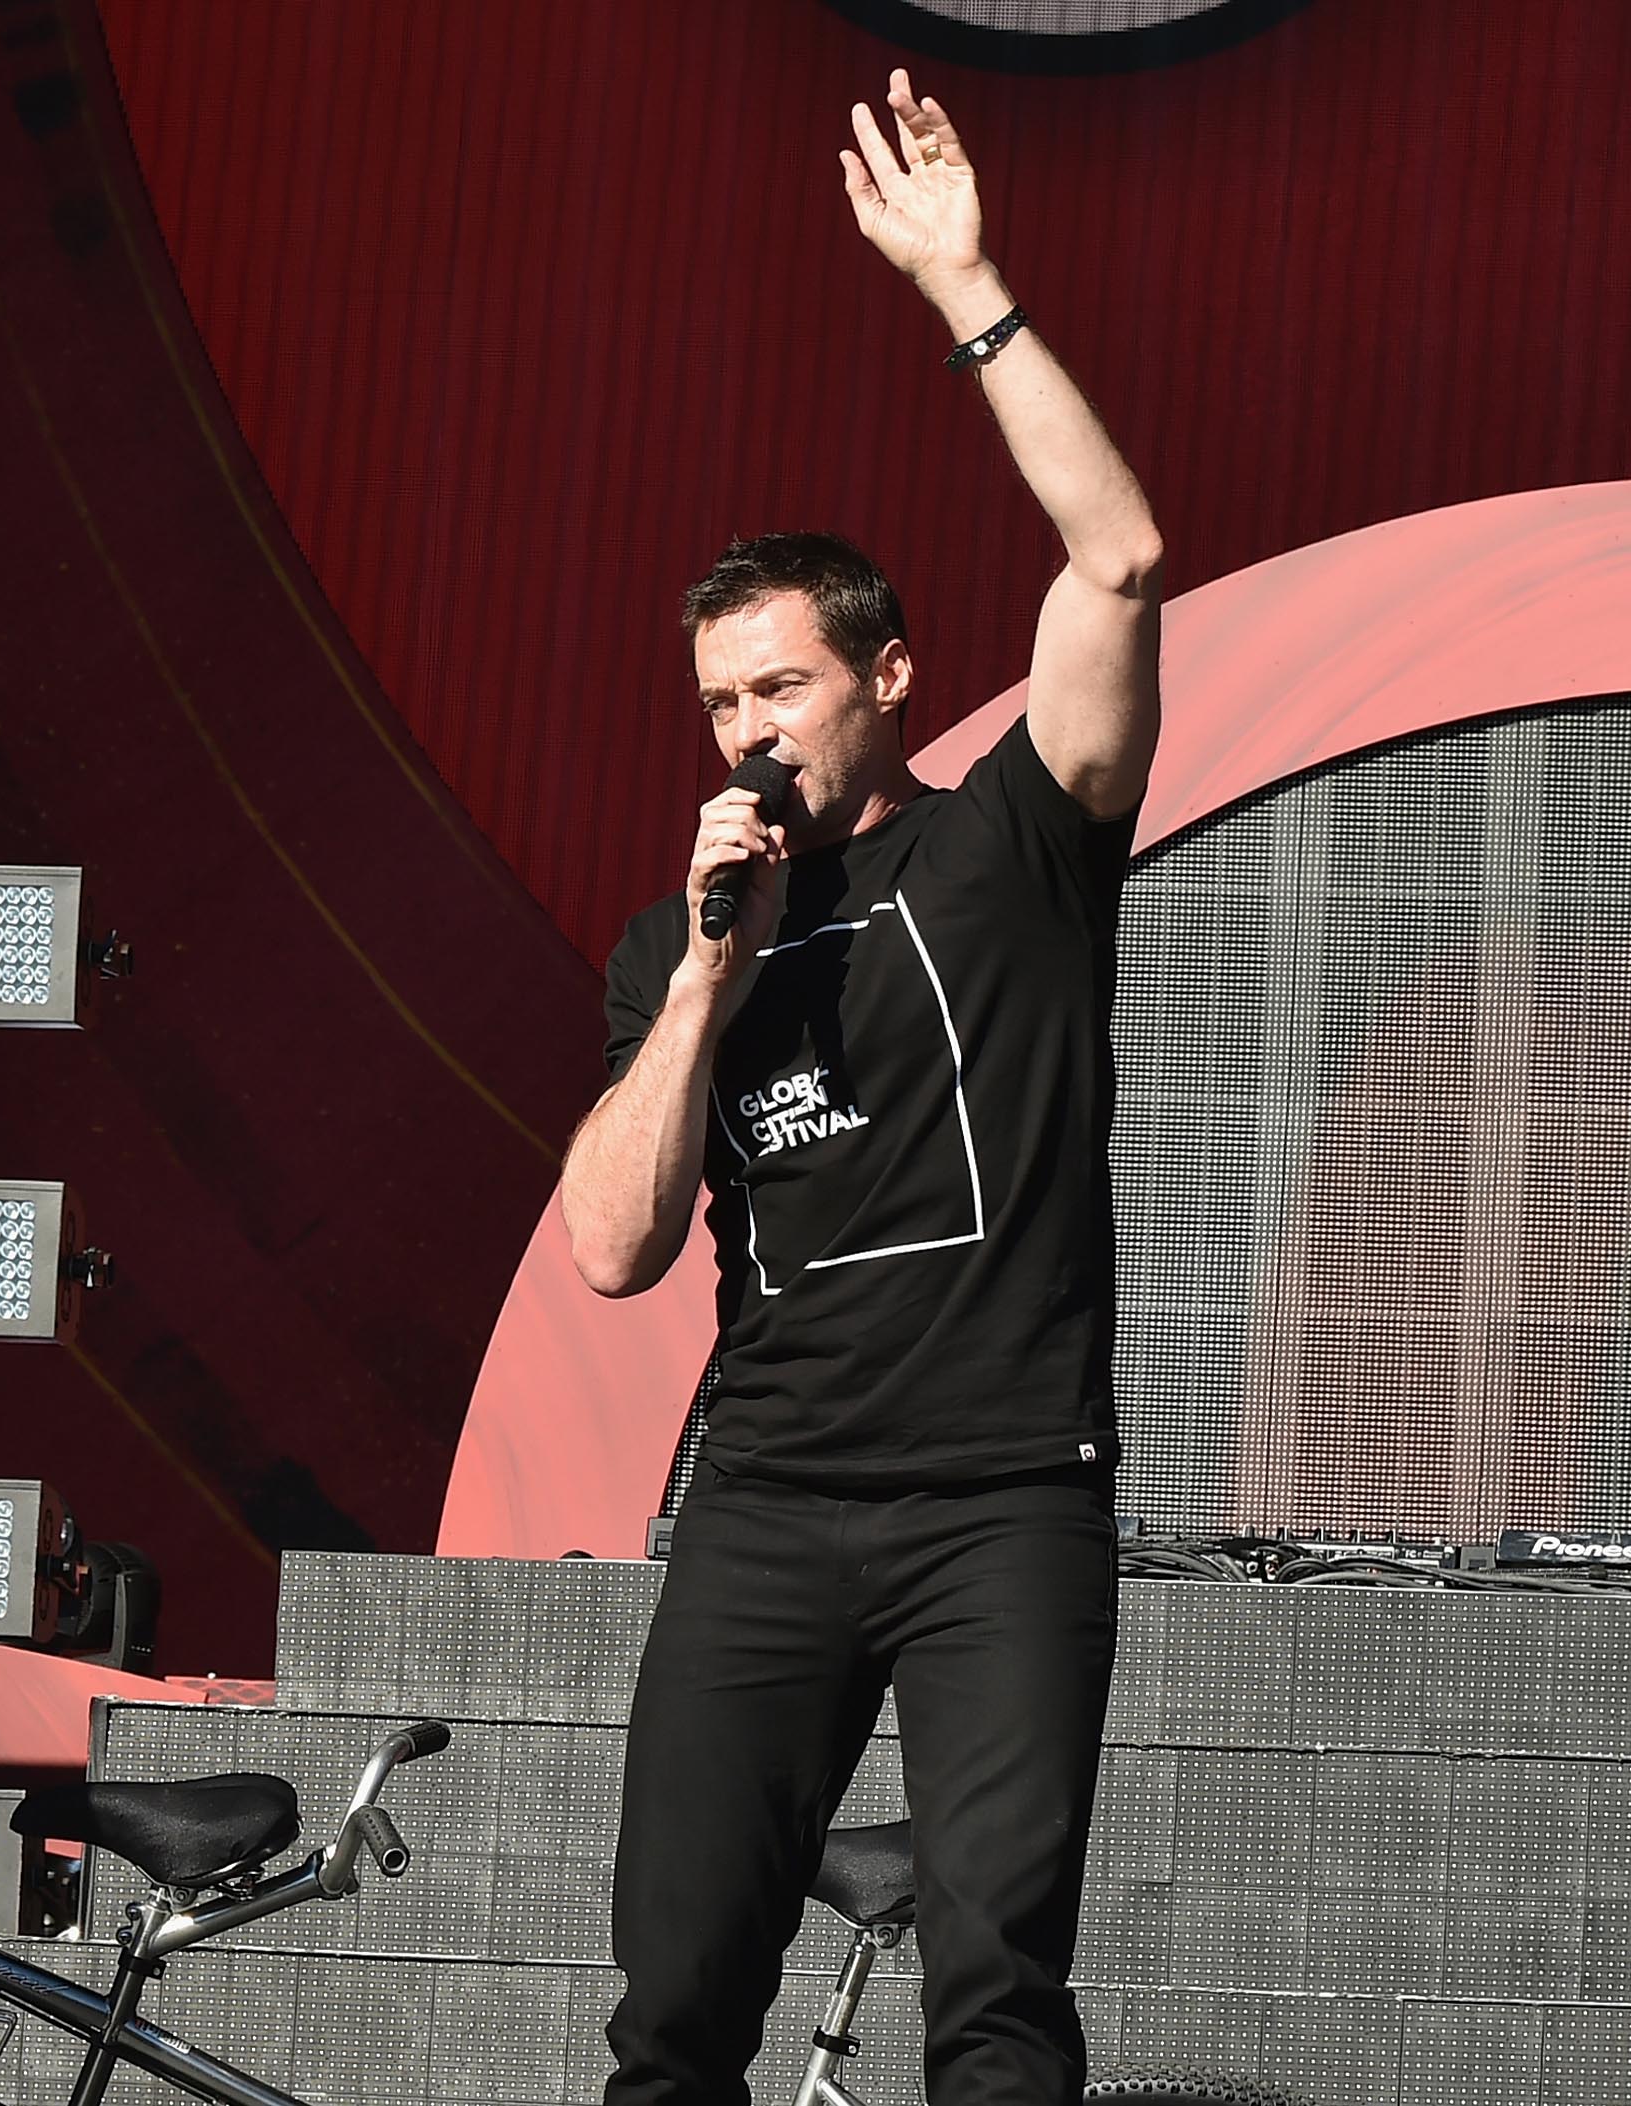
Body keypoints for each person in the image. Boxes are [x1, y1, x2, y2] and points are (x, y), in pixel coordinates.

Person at [561, 72, 1164, 2106]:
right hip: (771, 1506)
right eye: (718, 701)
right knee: (673, 2013)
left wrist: (967, 286)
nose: (748, 734)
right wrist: (708, 977)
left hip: (1001, 1500)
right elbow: (617, 1250)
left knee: (993, 2006)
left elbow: (1125, 562)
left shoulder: (1008, 845)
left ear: (890, 675)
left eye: (783, 688)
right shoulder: (681, 949)